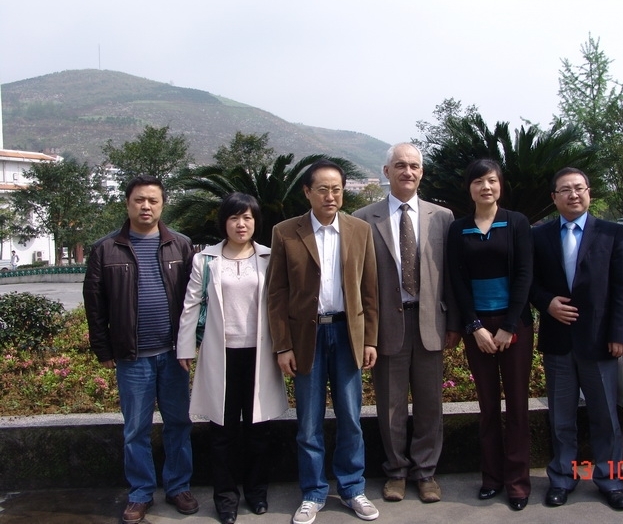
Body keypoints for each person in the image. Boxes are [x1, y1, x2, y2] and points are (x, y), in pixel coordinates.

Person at [267, 159, 380, 524]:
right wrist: (282, 345)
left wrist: (370, 339)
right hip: (307, 337)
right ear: (307, 192)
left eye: (337, 189)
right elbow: (276, 294)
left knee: (350, 417)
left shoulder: (360, 230)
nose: (331, 196)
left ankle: (352, 488)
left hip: (348, 333)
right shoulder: (286, 232)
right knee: (309, 421)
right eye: (323, 189)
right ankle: (313, 492)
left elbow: (370, 290)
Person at [84, 175, 199, 524]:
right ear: (128, 203)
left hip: (173, 355)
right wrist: (103, 349)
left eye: (152, 200)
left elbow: (196, 300)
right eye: (139, 200)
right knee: (135, 428)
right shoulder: (106, 249)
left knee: (178, 423)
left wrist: (193, 343)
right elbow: (95, 305)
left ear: (162, 204)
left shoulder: (181, 245)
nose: (145, 206)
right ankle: (140, 492)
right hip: (132, 357)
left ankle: (178, 486)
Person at [353, 143, 456, 503]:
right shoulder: (364, 218)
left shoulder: (442, 217)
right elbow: (358, 280)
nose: (407, 172)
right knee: (390, 406)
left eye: (414, 166)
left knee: (430, 405)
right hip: (387, 326)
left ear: (421, 172)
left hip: (429, 323)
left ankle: (426, 473)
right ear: (386, 172)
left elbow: (452, 275)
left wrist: (454, 323)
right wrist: (366, 332)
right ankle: (396, 472)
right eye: (400, 165)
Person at [177, 193, 288, 524]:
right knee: (222, 433)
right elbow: (191, 304)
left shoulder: (269, 257)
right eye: (234, 218)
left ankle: (256, 492)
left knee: (258, 430)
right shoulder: (206, 260)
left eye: (248, 218)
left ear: (256, 222)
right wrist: (185, 347)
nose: (241, 224)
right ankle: (225, 498)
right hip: (220, 356)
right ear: (224, 222)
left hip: (260, 355)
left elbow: (281, 305)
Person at [529, 167, 623, 511]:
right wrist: (547, 303)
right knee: (561, 417)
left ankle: (610, 479)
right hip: (558, 342)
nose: (573, 194)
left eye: (579, 188)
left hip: (600, 342)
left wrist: (620, 334)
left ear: (589, 192)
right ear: (554, 197)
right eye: (565, 190)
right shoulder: (539, 235)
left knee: (606, 416)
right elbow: (528, 282)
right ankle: (562, 477)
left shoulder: (612, 233)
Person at [446, 159, 533, 511]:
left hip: (514, 325)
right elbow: (456, 280)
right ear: (469, 188)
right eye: (478, 181)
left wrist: (509, 326)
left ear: (500, 185)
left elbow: (524, 274)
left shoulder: (516, 222)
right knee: (487, 406)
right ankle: (492, 477)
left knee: (517, 406)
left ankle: (518, 482)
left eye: (492, 180)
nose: (486, 187)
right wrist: (475, 326)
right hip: (477, 328)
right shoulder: (458, 229)